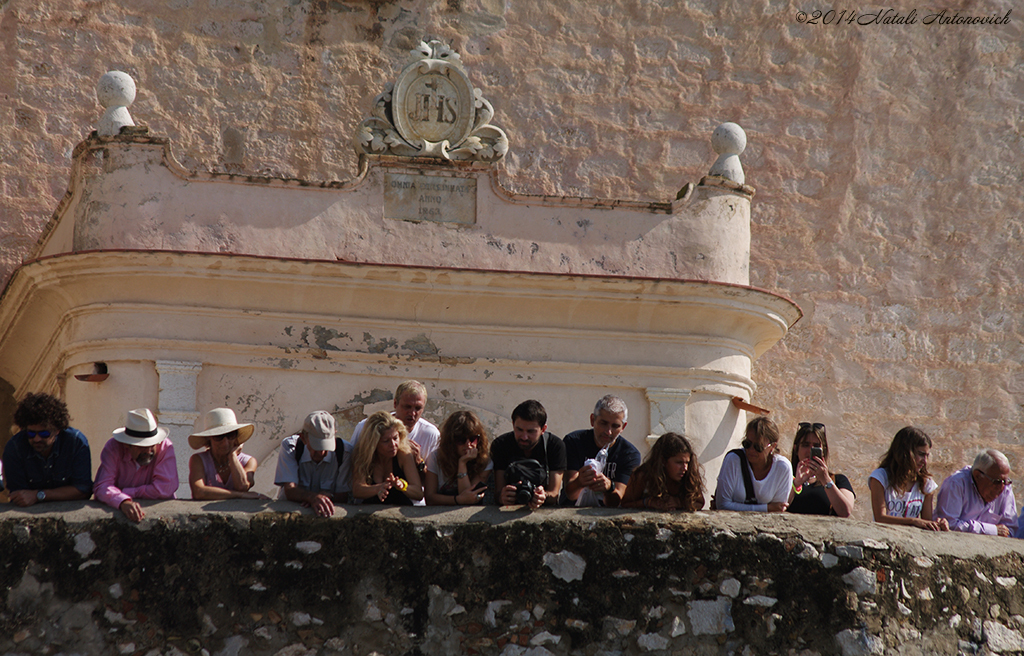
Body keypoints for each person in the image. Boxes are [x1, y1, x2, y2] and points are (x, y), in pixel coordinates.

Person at [3, 392, 92, 506]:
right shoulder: (15, 447)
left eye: (44, 433)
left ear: (58, 430)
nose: (36, 439)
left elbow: (83, 490)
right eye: (31, 433)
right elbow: (20, 496)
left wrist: (38, 495)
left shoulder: (75, 442)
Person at [93, 408, 178, 522]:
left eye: (152, 445)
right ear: (127, 445)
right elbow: (102, 486)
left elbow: (165, 488)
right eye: (142, 446)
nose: (148, 451)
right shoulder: (113, 448)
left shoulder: (165, 447)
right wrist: (123, 501)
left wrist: (125, 492)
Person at [562, 395, 641, 507]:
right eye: (603, 423)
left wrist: (609, 487)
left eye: (615, 426)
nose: (608, 432)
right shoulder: (574, 442)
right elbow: (570, 494)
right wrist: (580, 481)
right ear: (592, 420)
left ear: (623, 427)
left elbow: (618, 501)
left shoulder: (629, 454)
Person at [869, 426, 948, 531]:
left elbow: (927, 522)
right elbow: (880, 518)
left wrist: (939, 525)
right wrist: (912, 521)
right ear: (905, 453)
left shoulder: (926, 484)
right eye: (920, 454)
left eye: (927, 456)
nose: (924, 461)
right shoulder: (880, 477)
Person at [275, 411, 353, 516]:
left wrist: (328, 496)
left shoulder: (344, 452)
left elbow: (343, 494)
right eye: (316, 447)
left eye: (326, 447)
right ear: (303, 438)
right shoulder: (291, 447)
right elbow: (290, 489)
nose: (322, 453)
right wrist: (311, 497)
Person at [491, 400, 566, 509]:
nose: (524, 437)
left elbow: (554, 494)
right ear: (513, 425)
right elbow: (498, 492)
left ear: (543, 429)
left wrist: (543, 496)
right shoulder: (501, 445)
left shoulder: (555, 446)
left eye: (531, 431)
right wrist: (503, 497)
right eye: (519, 430)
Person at [713, 416, 792, 512]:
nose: (751, 450)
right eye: (747, 444)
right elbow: (722, 505)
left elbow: (777, 510)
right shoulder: (733, 460)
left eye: (758, 447)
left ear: (772, 446)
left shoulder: (782, 468)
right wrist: (766, 508)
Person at [188, 407, 268, 500]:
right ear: (209, 438)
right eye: (219, 437)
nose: (225, 442)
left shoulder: (249, 461)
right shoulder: (198, 460)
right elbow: (199, 492)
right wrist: (239, 495)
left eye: (230, 435)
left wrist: (233, 456)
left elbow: (242, 486)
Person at [935, 449, 1017, 536]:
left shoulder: (1005, 487)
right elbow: (949, 524)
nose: (1001, 487)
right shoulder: (956, 483)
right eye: (996, 481)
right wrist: (992, 530)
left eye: (1005, 481)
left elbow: (1010, 530)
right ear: (977, 476)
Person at [351, 410, 424, 505]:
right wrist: (378, 488)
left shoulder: (404, 455)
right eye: (386, 441)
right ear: (374, 443)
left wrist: (402, 486)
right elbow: (357, 490)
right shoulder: (363, 456)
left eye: (395, 438)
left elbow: (418, 493)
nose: (393, 445)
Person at [620, 432, 705, 511]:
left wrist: (679, 502)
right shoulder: (643, 477)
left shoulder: (689, 476)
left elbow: (699, 502)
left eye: (687, 462)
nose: (685, 468)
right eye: (679, 462)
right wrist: (648, 502)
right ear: (663, 461)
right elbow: (625, 504)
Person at [424, 410, 492, 506]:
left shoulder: (485, 460)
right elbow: (430, 497)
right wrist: (458, 500)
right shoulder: (436, 457)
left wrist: (462, 463)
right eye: (461, 440)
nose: (468, 445)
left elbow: (469, 497)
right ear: (451, 441)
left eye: (473, 439)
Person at [787, 422, 855, 517]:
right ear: (796, 448)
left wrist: (825, 479)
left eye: (816, 446)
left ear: (823, 450)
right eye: (805, 445)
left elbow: (845, 511)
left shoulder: (838, 480)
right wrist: (796, 484)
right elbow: (778, 508)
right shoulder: (784, 478)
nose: (810, 450)